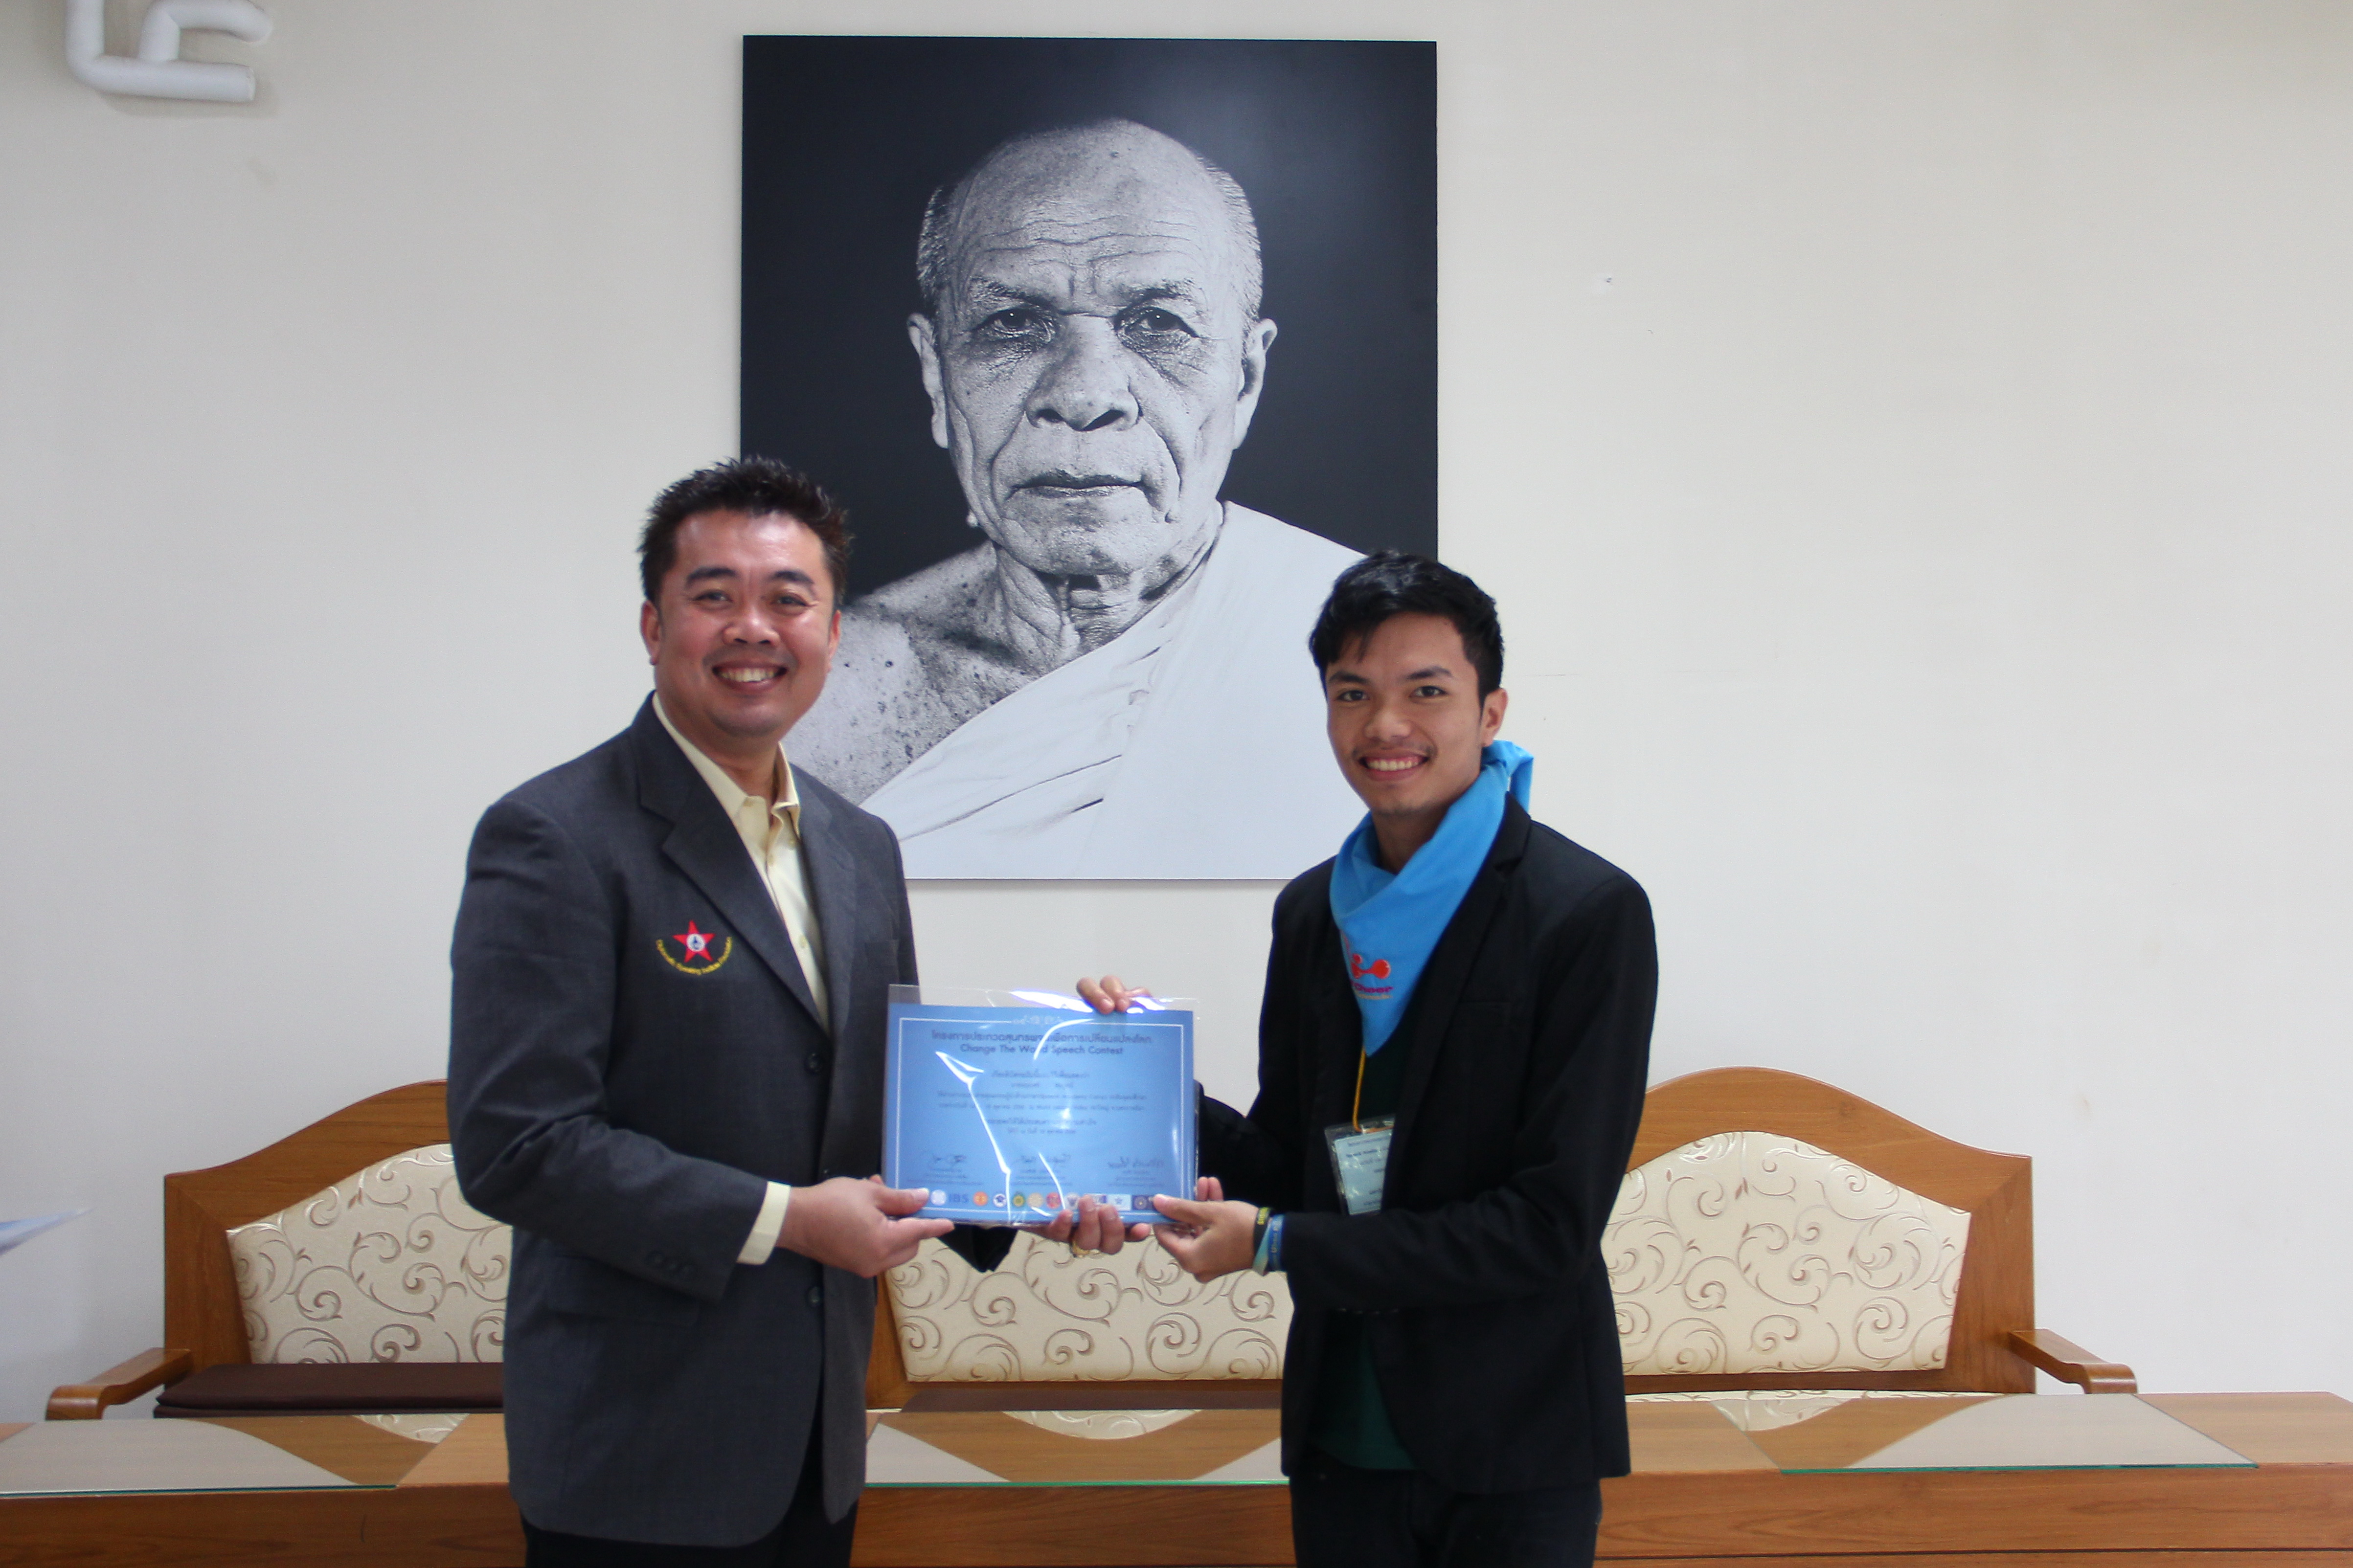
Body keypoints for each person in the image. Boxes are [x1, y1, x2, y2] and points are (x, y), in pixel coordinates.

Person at [447, 458, 1010, 1566]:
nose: (753, 627)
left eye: (788, 599)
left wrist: (1043, 1186)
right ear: (653, 626)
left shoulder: (861, 844)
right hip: (635, 1452)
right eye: (714, 595)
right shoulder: (555, 834)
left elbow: (884, 1106)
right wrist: (789, 1220)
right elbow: (518, 1145)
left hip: (814, 1443)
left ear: (833, 633)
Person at [1071, 553, 1657, 1567]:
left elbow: (1548, 1228)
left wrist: (1275, 1244)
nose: (1385, 725)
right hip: (1343, 1433)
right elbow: (1286, 1164)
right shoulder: (1312, 912)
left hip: (1513, 1444)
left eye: (1425, 691)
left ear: (1490, 709)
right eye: (1352, 694)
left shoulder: (1583, 913)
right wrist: (1147, 1082)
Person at [791, 117, 1364, 879]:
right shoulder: (822, 700)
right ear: (935, 374)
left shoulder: (1373, 645)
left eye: (1158, 324)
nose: (1085, 394)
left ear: (1246, 379)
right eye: (1013, 325)